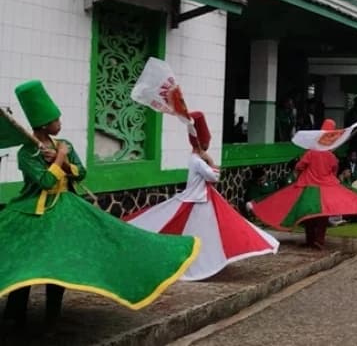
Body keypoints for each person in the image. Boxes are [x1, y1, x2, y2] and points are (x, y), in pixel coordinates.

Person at [0, 80, 199, 332]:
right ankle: (15, 314)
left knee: (61, 263)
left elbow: (80, 173)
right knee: (24, 264)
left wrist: (64, 161)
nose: (60, 123)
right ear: (43, 124)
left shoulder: (65, 145)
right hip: (32, 213)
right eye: (56, 119)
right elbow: (46, 182)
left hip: (66, 212)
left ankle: (52, 316)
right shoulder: (27, 154)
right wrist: (58, 160)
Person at [126, 112, 279, 281]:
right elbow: (215, 177)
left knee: (208, 231)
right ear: (202, 144)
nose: (207, 146)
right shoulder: (198, 161)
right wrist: (211, 161)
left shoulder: (195, 159)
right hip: (197, 200)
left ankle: (204, 260)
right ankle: (198, 263)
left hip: (200, 199)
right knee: (199, 233)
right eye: (206, 144)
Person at [251, 119, 357, 249]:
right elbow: (334, 170)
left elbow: (299, 166)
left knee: (309, 215)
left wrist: (301, 173)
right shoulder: (331, 156)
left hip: (308, 187)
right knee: (323, 216)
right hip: (327, 188)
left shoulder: (311, 153)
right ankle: (319, 240)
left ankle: (310, 241)